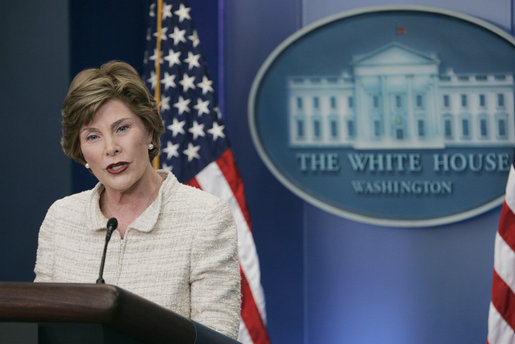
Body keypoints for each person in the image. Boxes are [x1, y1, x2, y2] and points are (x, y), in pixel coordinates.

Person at [34, 61, 241, 339]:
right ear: (81, 151)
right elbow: (39, 327)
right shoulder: (61, 218)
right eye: (93, 136)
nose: (111, 148)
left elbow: (217, 337)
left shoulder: (204, 216)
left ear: (149, 131)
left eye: (122, 128)